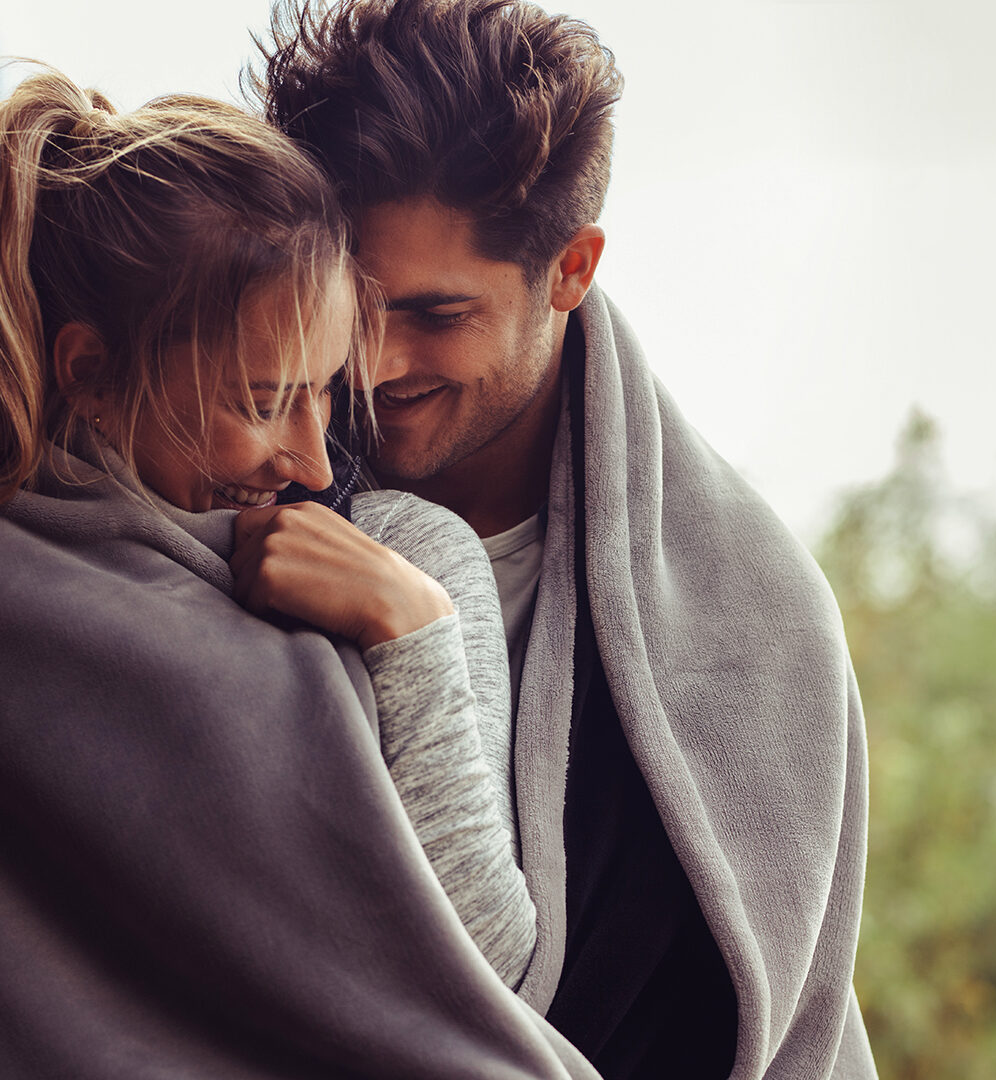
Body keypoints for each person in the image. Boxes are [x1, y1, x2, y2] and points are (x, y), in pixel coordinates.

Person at [254, 1, 879, 1077]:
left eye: (438, 316)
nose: (376, 360)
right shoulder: (218, 484)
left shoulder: (760, 620)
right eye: (354, 303)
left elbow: (788, 1020)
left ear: (572, 269)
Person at [0, 66, 602, 1079]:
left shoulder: (406, 555)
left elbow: (484, 964)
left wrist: (413, 628)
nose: (316, 461)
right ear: (90, 373)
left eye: (326, 393)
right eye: (263, 399)